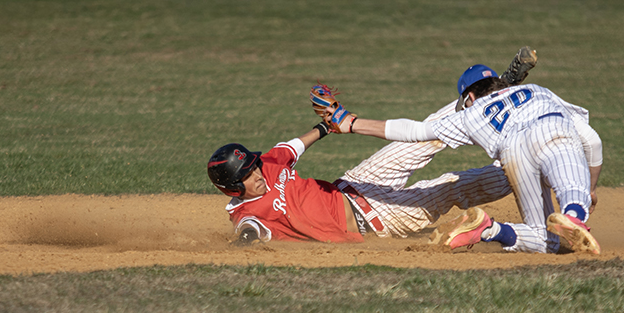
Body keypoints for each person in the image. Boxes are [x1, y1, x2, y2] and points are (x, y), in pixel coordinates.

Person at [321, 51, 603, 254]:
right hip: (355, 186)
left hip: (363, 198)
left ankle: (493, 229)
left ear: (468, 96)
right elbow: (591, 140)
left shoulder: (471, 113)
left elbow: (414, 131)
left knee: (434, 143)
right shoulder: (540, 91)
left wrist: (350, 123)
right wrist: (588, 189)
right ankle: (574, 213)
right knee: (460, 184)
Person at [207, 122, 512, 244]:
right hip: (381, 220)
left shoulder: (266, 164)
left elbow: (290, 147)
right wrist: (242, 239)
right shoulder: (249, 212)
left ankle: (489, 95)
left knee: (422, 137)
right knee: (451, 186)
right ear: (231, 188)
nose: (257, 174)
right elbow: (249, 229)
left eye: (254, 166)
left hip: (356, 182)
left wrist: (325, 127)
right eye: (247, 175)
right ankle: (519, 168)